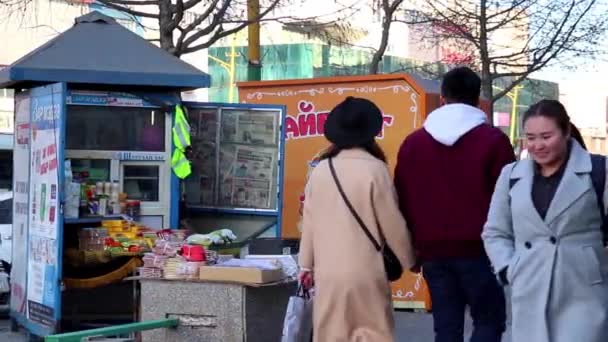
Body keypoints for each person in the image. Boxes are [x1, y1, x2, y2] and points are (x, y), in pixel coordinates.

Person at [393, 66, 514, 342]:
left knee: (446, 328)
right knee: (489, 321)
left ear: (443, 98)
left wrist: (413, 246)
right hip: (482, 252)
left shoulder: (413, 143)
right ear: (477, 99)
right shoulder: (494, 141)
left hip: (432, 252)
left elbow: (401, 197)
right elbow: (509, 197)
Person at [482, 99, 608, 342]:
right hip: (529, 285)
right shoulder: (510, 175)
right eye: (530, 138)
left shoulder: (598, 170)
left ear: (566, 131)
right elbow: (495, 232)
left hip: (583, 290)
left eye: (546, 136)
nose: (537, 145)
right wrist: (510, 268)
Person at [298, 96, 415, 342]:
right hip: (366, 273)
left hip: (329, 275)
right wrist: (410, 259)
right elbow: (393, 224)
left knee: (331, 334)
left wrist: (305, 265)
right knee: (374, 334)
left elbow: (309, 223)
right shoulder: (376, 169)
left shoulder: (320, 171)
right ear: (370, 133)